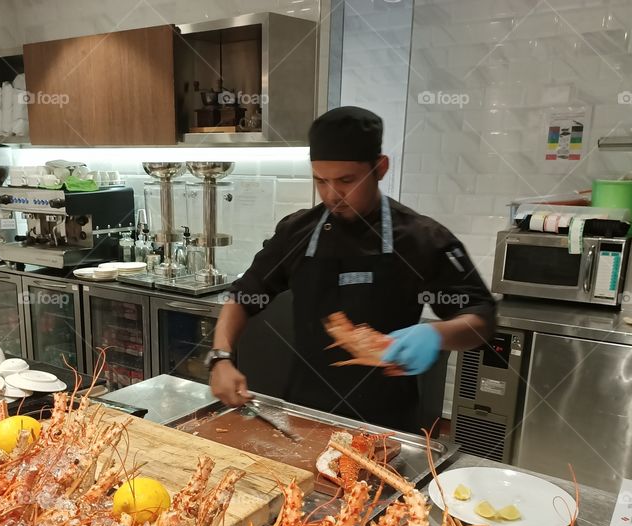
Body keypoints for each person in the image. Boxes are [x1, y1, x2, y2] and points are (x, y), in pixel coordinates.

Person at [206, 106, 496, 432]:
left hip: (387, 424)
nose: (333, 195)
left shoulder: (421, 239)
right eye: (321, 181)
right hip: (305, 415)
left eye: (347, 180)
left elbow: (481, 317)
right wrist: (220, 357)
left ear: (380, 168)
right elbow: (245, 294)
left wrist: (436, 334)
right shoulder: (297, 232)